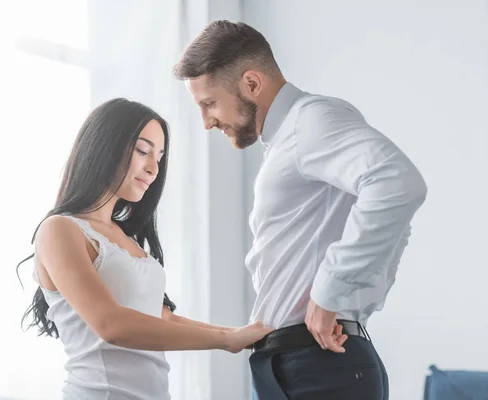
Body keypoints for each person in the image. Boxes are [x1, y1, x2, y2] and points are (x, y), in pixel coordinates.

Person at [173, 20, 427, 399]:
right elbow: (388, 216)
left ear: (252, 84)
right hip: (297, 363)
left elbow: (397, 183)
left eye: (209, 103)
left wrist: (331, 292)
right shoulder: (288, 140)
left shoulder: (311, 121)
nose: (207, 121)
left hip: (318, 364)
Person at [17, 98, 273, 400]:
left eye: (160, 156)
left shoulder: (126, 240)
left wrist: (241, 333)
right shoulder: (60, 229)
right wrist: (227, 339)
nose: (153, 168)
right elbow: (111, 324)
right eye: (143, 151)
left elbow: (161, 317)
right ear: (104, 146)